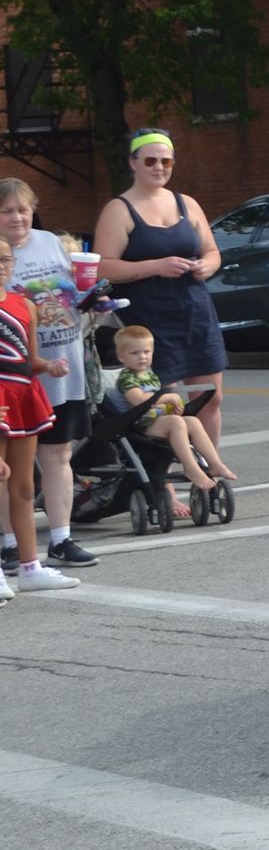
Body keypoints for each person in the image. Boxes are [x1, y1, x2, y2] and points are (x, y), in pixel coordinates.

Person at [93, 128, 229, 443]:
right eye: (151, 160)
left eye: (166, 162)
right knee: (164, 403)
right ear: (133, 163)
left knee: (211, 397)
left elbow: (212, 251)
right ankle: (164, 486)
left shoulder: (187, 204)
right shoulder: (119, 210)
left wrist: (207, 265)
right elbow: (103, 266)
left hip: (194, 311)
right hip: (148, 316)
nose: (159, 168)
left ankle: (209, 477)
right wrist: (155, 266)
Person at [0, 183, 104, 569]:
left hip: (64, 364)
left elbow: (76, 293)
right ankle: (10, 542)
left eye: (23, 210)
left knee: (59, 454)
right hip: (15, 378)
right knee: (8, 466)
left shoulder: (53, 244)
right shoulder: (1, 255)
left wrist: (94, 301)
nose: (17, 218)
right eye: (8, 211)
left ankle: (61, 538)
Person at [0, 237, 76, 599]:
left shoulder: (24, 305)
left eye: (6, 259)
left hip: (23, 395)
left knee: (24, 485)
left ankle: (30, 568)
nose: (2, 265)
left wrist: (49, 366)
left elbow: (28, 359)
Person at [110, 323, 234, 490]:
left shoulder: (149, 375)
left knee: (193, 422)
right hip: (138, 423)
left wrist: (171, 405)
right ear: (121, 357)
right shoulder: (127, 377)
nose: (142, 357)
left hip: (156, 419)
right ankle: (191, 468)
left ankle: (214, 463)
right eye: (135, 353)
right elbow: (138, 400)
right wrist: (166, 396)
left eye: (147, 352)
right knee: (177, 423)